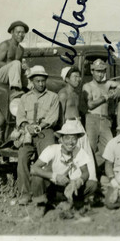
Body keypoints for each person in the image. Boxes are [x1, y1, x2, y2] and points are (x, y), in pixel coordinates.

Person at [30, 121, 97, 217]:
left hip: (65, 186)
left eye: (74, 138)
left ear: (77, 140)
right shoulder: (52, 149)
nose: (70, 142)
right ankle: (41, 205)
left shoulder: (79, 151)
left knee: (92, 184)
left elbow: (85, 172)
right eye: (67, 138)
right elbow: (34, 168)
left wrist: (79, 181)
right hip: (49, 185)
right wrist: (54, 176)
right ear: (61, 139)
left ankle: (71, 202)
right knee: (37, 178)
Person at [15, 65, 60, 205]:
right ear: (32, 81)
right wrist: (27, 126)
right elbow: (20, 116)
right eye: (37, 81)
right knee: (22, 157)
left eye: (43, 81)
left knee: (48, 158)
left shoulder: (53, 97)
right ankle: (25, 193)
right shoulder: (24, 98)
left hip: (45, 131)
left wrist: (40, 127)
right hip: (28, 133)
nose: (41, 84)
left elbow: (53, 117)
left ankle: (45, 192)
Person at [58, 67, 97, 183]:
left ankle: (90, 180)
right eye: (75, 76)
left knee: (85, 153)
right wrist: (62, 135)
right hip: (68, 127)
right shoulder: (63, 94)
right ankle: (73, 183)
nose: (78, 79)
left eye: (79, 76)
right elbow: (61, 116)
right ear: (67, 79)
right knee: (72, 155)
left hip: (78, 125)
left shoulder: (76, 94)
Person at [82, 59, 120, 174]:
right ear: (92, 71)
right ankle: (89, 177)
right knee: (90, 148)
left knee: (110, 148)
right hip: (92, 119)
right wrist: (106, 97)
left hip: (105, 120)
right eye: (97, 71)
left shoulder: (107, 84)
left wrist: (119, 88)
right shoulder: (87, 86)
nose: (100, 74)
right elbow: (90, 105)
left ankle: (100, 173)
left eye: (103, 71)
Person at [0, 21, 29, 97]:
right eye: (18, 32)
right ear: (12, 32)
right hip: (0, 75)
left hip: (12, 76)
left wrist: (24, 69)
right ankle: (15, 90)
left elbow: (16, 69)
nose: (21, 35)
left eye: (23, 33)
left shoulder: (21, 49)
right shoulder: (5, 45)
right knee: (16, 63)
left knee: (32, 78)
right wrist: (15, 66)